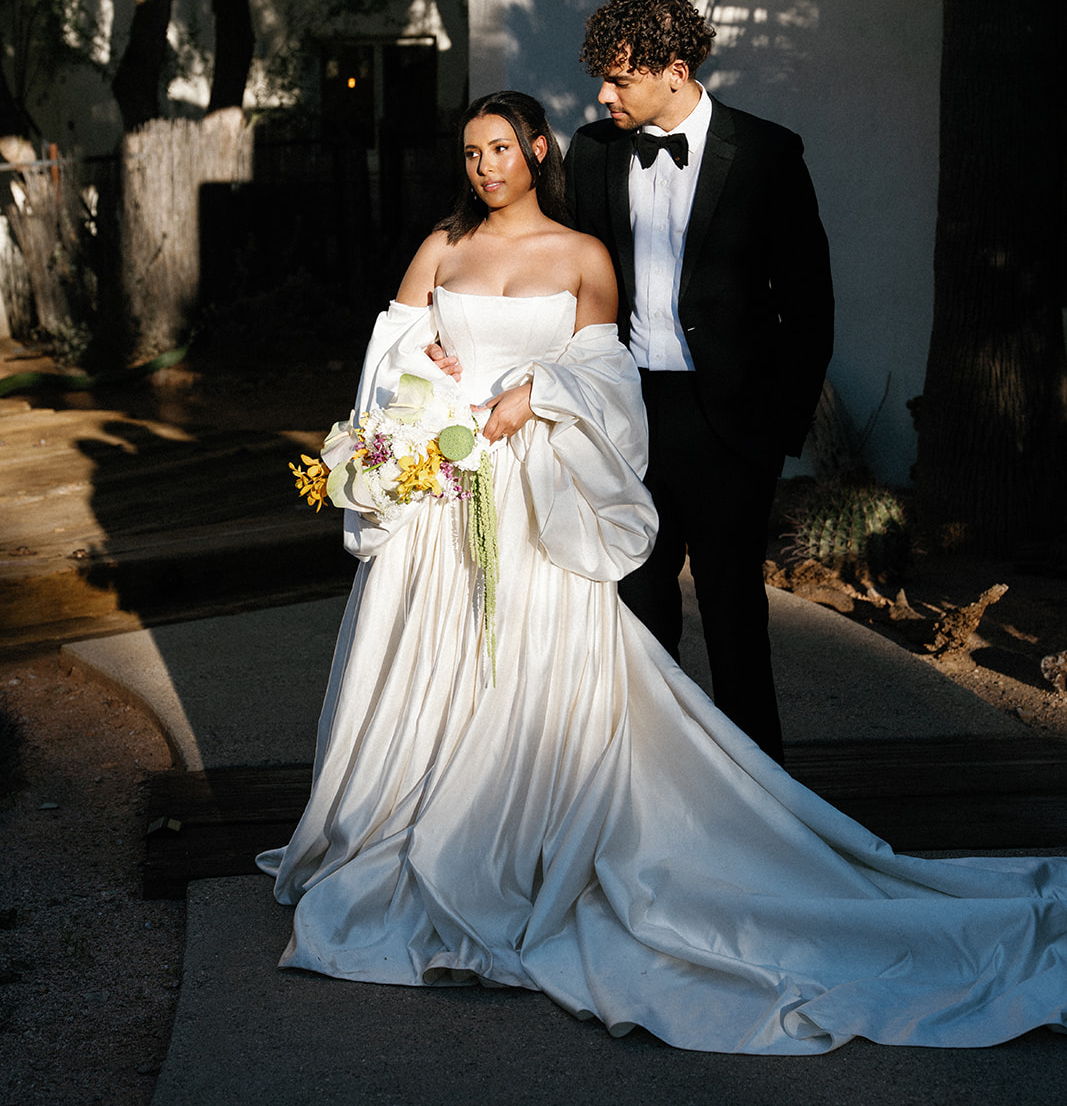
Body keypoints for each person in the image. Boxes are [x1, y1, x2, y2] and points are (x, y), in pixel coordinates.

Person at [258, 90, 1067, 1055]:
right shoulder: (442, 246)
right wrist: (426, 383)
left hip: (536, 495)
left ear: (537, 151)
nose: (483, 167)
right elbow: (387, 361)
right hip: (446, 497)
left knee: (555, 659)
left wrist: (536, 391)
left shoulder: (581, 256)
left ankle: (532, 829)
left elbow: (608, 379)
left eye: (500, 148)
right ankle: (414, 816)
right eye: (470, 153)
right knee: (439, 659)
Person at [565, 0, 835, 762]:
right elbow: (564, 280)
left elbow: (808, 305)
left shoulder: (766, 153)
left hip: (728, 426)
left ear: (675, 71)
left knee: (733, 617)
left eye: (619, 79)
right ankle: (654, 783)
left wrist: (773, 434)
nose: (603, 94)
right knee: (637, 611)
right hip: (626, 413)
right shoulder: (592, 151)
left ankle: (759, 796)